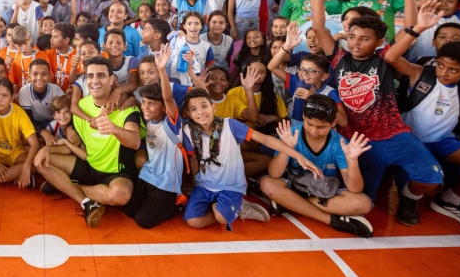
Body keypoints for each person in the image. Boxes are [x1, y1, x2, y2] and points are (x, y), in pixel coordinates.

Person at [307, 0, 444, 226]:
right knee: (363, 202)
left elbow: (404, 38)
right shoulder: (339, 58)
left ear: (380, 41)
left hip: (393, 133)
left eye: (364, 39)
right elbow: (318, 26)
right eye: (352, 37)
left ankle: (408, 197)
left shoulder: (385, 58)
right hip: (356, 138)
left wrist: (417, 23)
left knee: (430, 179)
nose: (356, 43)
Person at [181, 87, 322, 230]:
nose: (200, 112)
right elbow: (194, 159)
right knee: (194, 221)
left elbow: (265, 139)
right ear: (189, 114)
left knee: (222, 218)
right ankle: (226, 207)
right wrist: (194, 183)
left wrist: (297, 155)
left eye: (204, 106)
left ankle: (235, 207)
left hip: (231, 185)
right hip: (205, 185)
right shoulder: (188, 131)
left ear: (213, 107)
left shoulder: (230, 125)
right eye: (194, 109)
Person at [385, 0, 460, 228]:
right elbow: (391, 58)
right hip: (410, 141)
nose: (444, 73)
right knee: (427, 182)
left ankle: (450, 200)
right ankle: (410, 198)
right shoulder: (421, 73)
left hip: (443, 141)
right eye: (441, 65)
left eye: (453, 70)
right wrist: (418, 28)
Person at [35, 56, 143, 228]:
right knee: (40, 161)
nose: (95, 81)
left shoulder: (126, 108)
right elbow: (74, 145)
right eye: (90, 76)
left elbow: (135, 141)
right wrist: (46, 150)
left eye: (101, 75)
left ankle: (67, 187)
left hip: (116, 172)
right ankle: (86, 200)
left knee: (120, 195)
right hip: (87, 164)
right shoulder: (81, 107)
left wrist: (114, 129)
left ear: (111, 80)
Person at [260, 95, 375, 237]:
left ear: (333, 122)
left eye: (321, 127)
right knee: (267, 184)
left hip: (323, 192)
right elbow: (274, 174)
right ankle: (330, 220)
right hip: (294, 186)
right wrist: (286, 148)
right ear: (303, 117)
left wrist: (353, 160)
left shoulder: (339, 143)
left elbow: (355, 188)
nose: (314, 131)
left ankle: (289, 203)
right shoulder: (291, 134)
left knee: (363, 204)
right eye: (309, 124)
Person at [122, 46, 185, 229]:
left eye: (152, 104)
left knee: (143, 221)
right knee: (128, 211)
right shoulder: (148, 119)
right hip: (149, 173)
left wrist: (162, 69)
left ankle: (177, 206)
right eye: (144, 103)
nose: (146, 107)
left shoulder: (172, 123)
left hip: (167, 181)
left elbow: (168, 98)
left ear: (164, 108)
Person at [18, 59, 65, 131]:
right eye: (35, 74)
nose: (39, 78)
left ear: (50, 76)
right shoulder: (24, 91)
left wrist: (69, 128)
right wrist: (44, 133)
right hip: (33, 122)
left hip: (53, 121)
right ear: (29, 77)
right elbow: (28, 118)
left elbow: (65, 111)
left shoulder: (56, 90)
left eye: (44, 74)